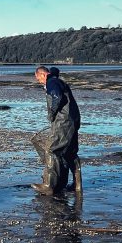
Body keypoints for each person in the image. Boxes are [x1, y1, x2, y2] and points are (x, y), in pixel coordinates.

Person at [31, 66, 81, 195]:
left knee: (52, 150)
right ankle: (75, 185)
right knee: (69, 153)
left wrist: (52, 113)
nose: (39, 82)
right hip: (73, 119)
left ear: (42, 75)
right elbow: (55, 70)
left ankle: (49, 185)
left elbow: (56, 96)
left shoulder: (51, 82)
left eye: (38, 79)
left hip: (64, 121)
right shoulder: (57, 80)